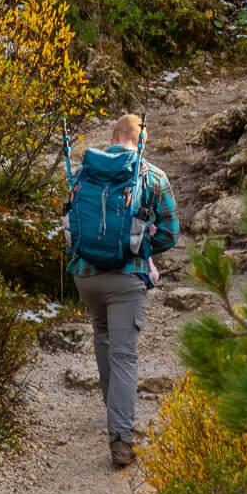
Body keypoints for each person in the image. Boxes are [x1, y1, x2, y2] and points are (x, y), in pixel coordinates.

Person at [69, 114, 179, 467]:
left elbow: (73, 223)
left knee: (102, 334)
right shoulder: (151, 175)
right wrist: (141, 248)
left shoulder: (85, 173)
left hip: (86, 276)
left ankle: (113, 411)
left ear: (113, 136)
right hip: (125, 279)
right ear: (141, 139)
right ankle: (120, 439)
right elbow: (170, 232)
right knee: (125, 355)